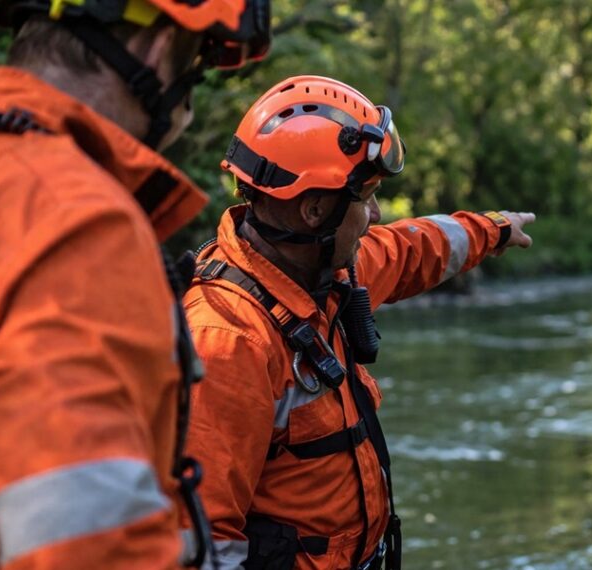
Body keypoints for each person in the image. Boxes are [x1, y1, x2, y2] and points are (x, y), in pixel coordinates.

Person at [0, 0, 270, 567]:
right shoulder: (76, 223)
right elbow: (89, 548)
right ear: (161, 47)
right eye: (200, 64)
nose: (186, 104)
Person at [181, 74, 535, 570]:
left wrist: (492, 229)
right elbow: (203, 544)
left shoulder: (322, 272)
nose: (375, 213)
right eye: (365, 196)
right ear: (313, 211)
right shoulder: (227, 341)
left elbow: (411, 249)